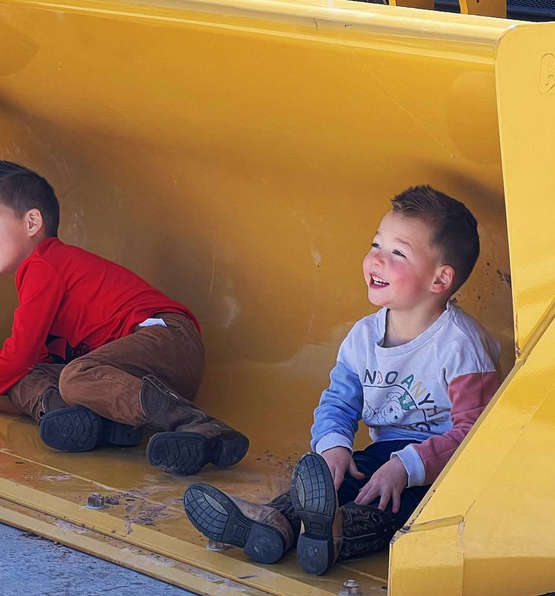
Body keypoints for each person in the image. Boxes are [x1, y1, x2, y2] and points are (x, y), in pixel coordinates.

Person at [184, 185, 501, 574]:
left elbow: (477, 435)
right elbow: (339, 401)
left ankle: (331, 534)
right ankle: (274, 523)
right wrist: (334, 446)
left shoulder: (461, 347)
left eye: (397, 253)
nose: (376, 259)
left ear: (440, 279)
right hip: (381, 456)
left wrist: (407, 467)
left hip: (439, 475)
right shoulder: (364, 336)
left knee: (386, 505)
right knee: (333, 483)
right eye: (376, 244)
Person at [0, 159, 249, 475]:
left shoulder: (45, 264)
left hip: (165, 339)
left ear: (32, 222)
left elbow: (19, 350)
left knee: (75, 375)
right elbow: (28, 362)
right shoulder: (35, 275)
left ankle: (198, 424)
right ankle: (95, 422)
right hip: (128, 375)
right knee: (30, 378)